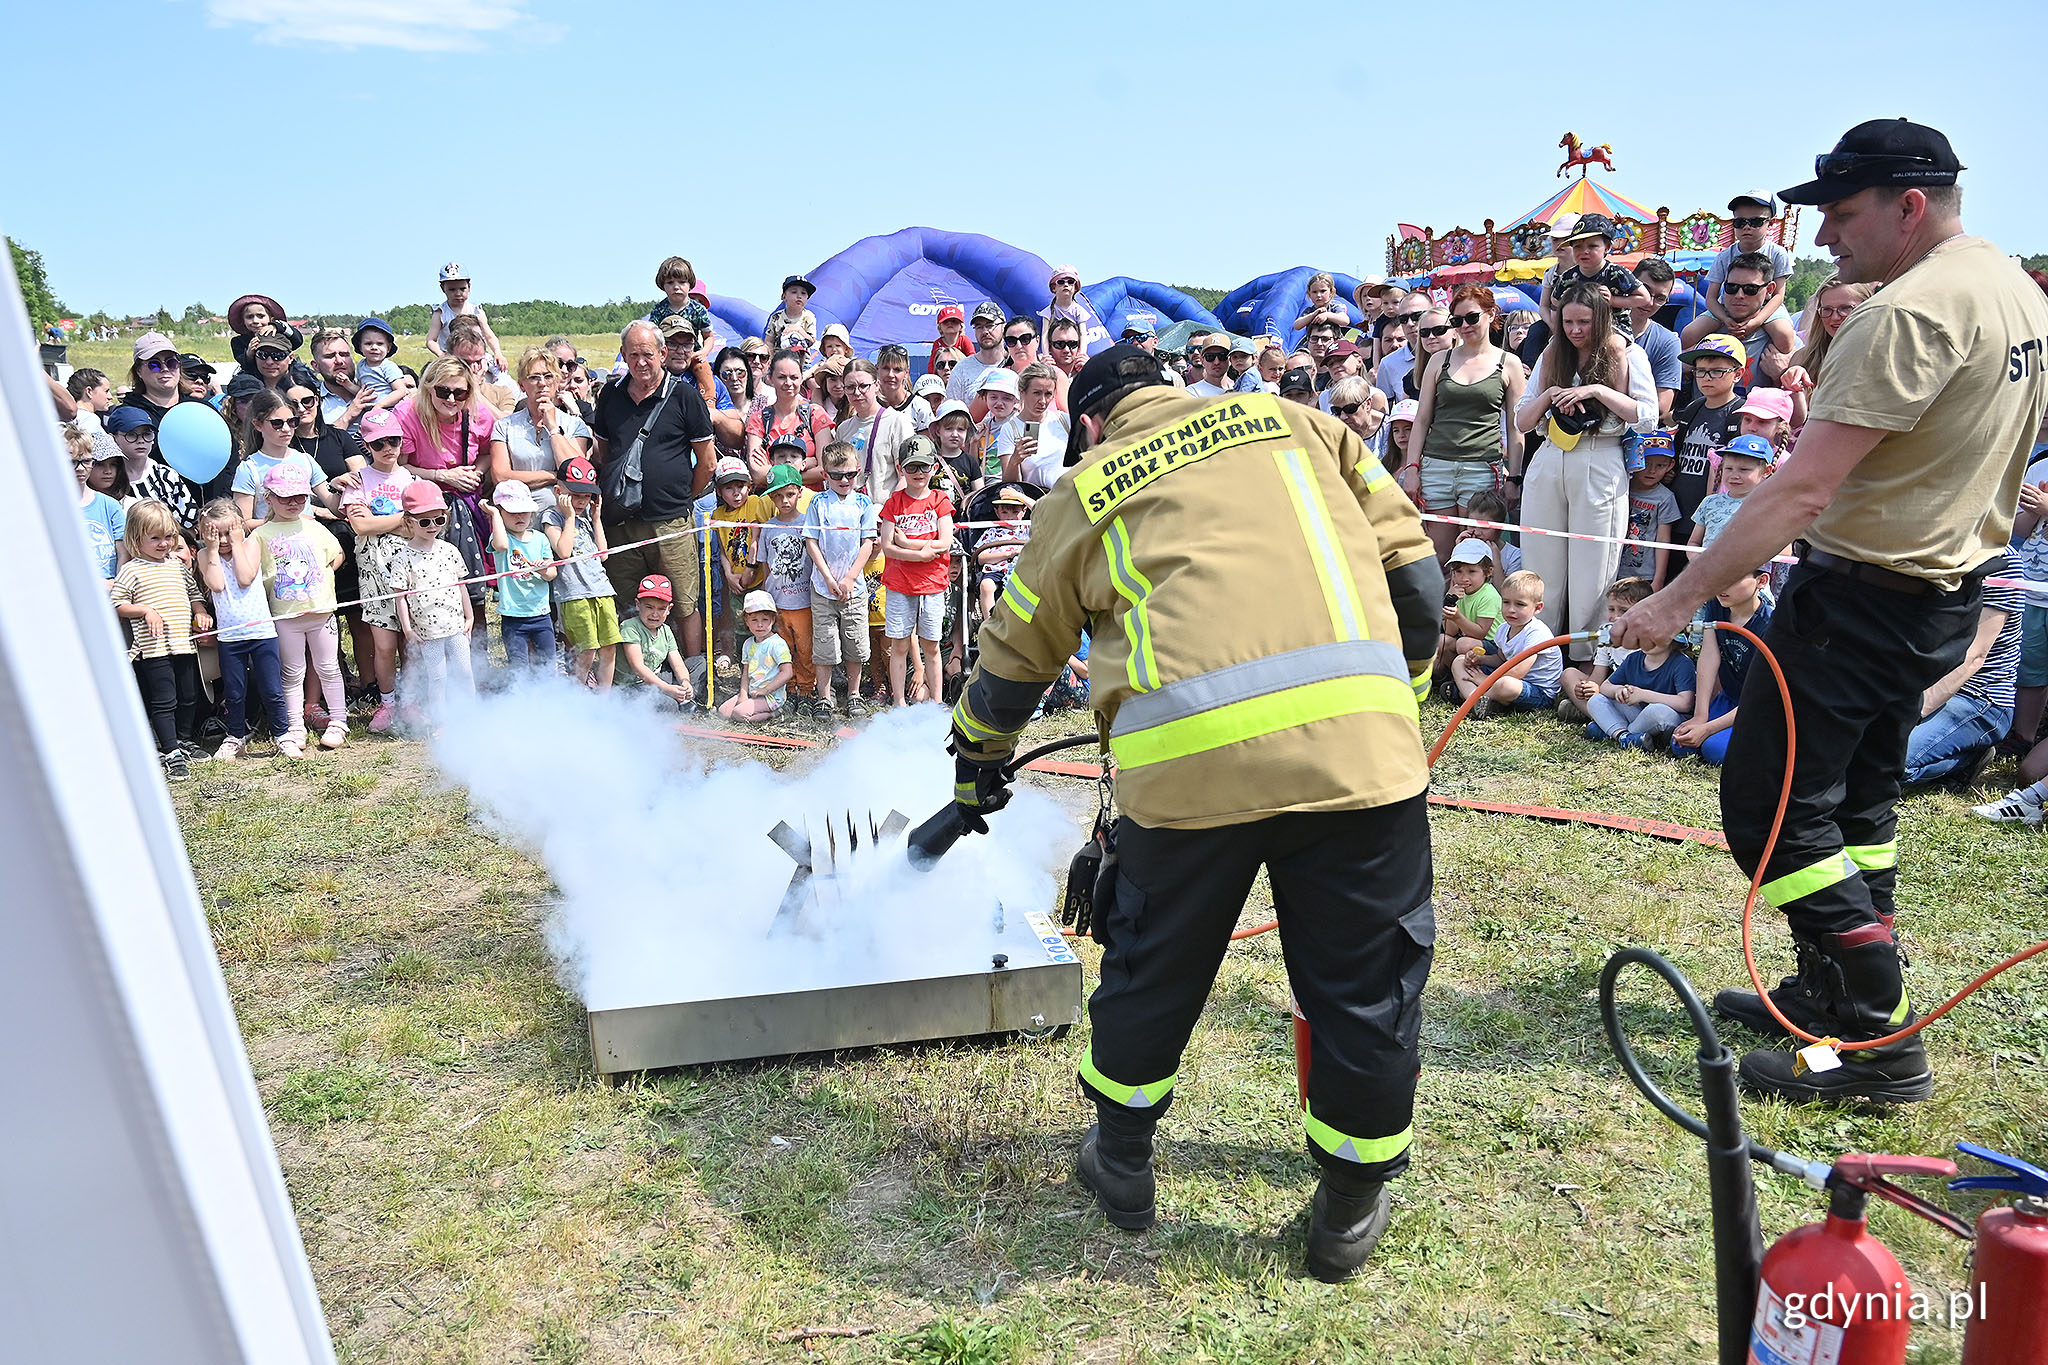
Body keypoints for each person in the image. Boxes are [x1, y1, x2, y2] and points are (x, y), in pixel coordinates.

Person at [946, 343, 1444, 1282]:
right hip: (1359, 763)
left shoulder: (1084, 487)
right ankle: (1347, 1207)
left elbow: (1016, 652)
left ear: (1089, 422)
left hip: (1185, 775)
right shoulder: (1305, 424)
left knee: (1152, 966)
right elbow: (1416, 579)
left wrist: (975, 759)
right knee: (1365, 985)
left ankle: (1122, 1162)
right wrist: (1398, 702)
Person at [1613, 118, 2048, 1104]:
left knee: (1769, 806)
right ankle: (1833, 998)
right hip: (1934, 595)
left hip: (1858, 599)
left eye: (1842, 213)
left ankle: (1877, 1038)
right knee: (1855, 805)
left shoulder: (1907, 314)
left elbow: (1799, 488)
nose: (1822, 238)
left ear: (1908, 205)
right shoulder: (2011, 289)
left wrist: (1675, 598)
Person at [1514, 284, 1656, 657]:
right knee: (1541, 564)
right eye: (1568, 322)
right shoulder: (1551, 353)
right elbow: (1522, 420)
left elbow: (1648, 417)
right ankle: (1539, 656)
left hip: (1601, 456)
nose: (1575, 330)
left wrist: (1595, 391)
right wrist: (1550, 395)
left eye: (1584, 322)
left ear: (1602, 319)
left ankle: (1587, 661)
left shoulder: (1627, 352)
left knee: (1593, 570)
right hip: (1550, 455)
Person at [591, 321, 717, 655]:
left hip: (671, 521)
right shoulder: (610, 395)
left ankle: (691, 671)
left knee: (683, 602)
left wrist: (680, 498)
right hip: (620, 522)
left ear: (662, 354)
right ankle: (636, 672)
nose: (641, 362)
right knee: (627, 600)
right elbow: (605, 454)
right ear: (623, 355)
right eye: (633, 355)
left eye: (647, 354)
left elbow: (707, 463)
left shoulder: (685, 396)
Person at [1405, 285, 1527, 558]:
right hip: (1436, 466)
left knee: (1476, 555)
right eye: (1457, 320)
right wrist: (1412, 468)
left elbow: (1515, 426)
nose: (1464, 326)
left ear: (1491, 314)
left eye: (1471, 317)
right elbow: (1422, 420)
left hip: (1482, 468)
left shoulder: (1509, 363)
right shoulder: (1439, 360)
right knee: (1440, 557)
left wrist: (1515, 477)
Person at [398, 356, 497, 646]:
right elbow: (400, 465)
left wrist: (475, 473)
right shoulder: (408, 414)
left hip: (465, 505)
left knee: (471, 588)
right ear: (428, 388)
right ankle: (429, 658)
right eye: (443, 391)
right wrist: (442, 476)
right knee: (427, 589)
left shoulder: (478, 414)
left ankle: (477, 658)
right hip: (423, 508)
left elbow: (488, 452)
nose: (452, 399)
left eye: (460, 393)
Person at [110, 499, 213, 780]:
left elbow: (194, 594)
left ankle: (184, 739)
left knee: (189, 695)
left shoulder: (176, 567)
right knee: (164, 700)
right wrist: (145, 611)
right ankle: (170, 750)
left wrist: (200, 612)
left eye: (168, 537)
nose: (164, 544)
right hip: (153, 649)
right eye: (155, 538)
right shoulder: (131, 570)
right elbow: (117, 604)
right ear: (136, 538)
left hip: (184, 644)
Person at [254, 464, 348, 752]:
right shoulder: (260, 535)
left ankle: (339, 721)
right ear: (269, 498)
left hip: (321, 612)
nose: (294, 502)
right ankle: (295, 725)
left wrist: (323, 576)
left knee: (328, 667)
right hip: (285, 616)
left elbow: (338, 554)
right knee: (292, 672)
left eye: (300, 496)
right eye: (285, 497)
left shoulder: (314, 527)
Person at [1902, 574, 2024, 785]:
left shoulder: (2003, 567)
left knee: (1886, 761)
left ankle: (1968, 760)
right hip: (1921, 682)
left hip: (1978, 697)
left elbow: (1974, 657)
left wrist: (1913, 712)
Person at [338, 408, 415, 733]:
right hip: (374, 576)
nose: (388, 448)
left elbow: (420, 527)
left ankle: (411, 701)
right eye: (379, 443)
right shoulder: (358, 480)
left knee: (410, 642)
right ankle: (387, 703)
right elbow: (360, 525)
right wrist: (402, 519)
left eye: (393, 440)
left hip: (410, 572)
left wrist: (380, 522)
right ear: (367, 445)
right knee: (383, 645)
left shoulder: (410, 479)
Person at [194, 500, 288, 761]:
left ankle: (282, 734)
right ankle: (235, 736)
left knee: (272, 688)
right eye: (216, 534)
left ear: (240, 528)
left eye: (229, 532)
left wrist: (237, 544)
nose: (223, 540)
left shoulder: (250, 545)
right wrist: (212, 550)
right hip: (230, 637)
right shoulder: (204, 555)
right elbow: (216, 585)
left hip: (261, 633)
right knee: (234, 693)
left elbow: (245, 578)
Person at [387, 482, 475, 727]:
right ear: (409, 521)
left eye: (439, 519)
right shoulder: (403, 557)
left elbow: (461, 585)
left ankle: (471, 716)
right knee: (438, 677)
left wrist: (469, 617)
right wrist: (407, 629)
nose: (433, 526)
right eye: (425, 521)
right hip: (428, 632)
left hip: (456, 625)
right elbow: (400, 597)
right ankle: (441, 721)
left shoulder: (450, 550)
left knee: (465, 672)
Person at [1668, 567, 1773, 767]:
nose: (1722, 586)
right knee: (1681, 744)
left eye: (1733, 578)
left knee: (1714, 750)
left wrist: (1707, 729)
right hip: (1729, 698)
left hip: (1758, 707)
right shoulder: (1715, 605)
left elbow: (1759, 696)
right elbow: (1709, 656)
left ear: (1761, 581)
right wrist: (1700, 716)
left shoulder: (1770, 626)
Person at [803, 442, 878, 717]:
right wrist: (828, 577)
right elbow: (811, 542)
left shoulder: (864, 503)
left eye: (850, 474)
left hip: (854, 589)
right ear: (825, 475)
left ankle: (854, 693)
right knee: (824, 644)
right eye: (837, 475)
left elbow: (868, 543)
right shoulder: (818, 503)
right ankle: (824, 696)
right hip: (823, 588)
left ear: (858, 471)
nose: (844, 480)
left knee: (855, 642)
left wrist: (849, 578)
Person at [877, 441, 954, 708]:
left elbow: (945, 542)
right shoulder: (894, 503)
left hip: (933, 584)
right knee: (899, 645)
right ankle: (899, 703)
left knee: (931, 645)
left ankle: (937, 702)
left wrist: (908, 544)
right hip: (900, 584)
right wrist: (921, 554)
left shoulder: (940, 500)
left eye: (924, 466)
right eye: (912, 467)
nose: (918, 472)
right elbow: (887, 546)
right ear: (901, 469)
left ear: (934, 468)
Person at [541, 459, 619, 692]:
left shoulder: (586, 518)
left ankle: (604, 699)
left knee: (609, 647)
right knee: (586, 650)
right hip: (575, 594)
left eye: (587, 496)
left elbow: (603, 554)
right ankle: (576, 699)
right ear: (559, 492)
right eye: (576, 495)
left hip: (602, 590)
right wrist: (569, 517)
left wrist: (596, 519)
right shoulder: (552, 517)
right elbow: (563, 552)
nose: (582, 502)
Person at [489, 347, 591, 509]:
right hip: (517, 512)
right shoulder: (504, 426)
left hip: (562, 512)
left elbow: (577, 474)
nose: (542, 383)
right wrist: (553, 475)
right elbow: (501, 476)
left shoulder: (575, 425)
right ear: (522, 385)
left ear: (557, 382)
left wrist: (553, 428)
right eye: (534, 377)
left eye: (548, 376)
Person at [1451, 570, 1563, 717]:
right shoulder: (1503, 628)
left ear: (1537, 608)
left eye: (1520, 604)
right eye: (1506, 602)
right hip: (1505, 679)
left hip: (1538, 691)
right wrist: (1480, 660)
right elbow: (1501, 659)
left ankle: (1466, 696)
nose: (1511, 610)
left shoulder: (1537, 633)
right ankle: (1477, 701)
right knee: (1459, 661)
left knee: (1505, 685)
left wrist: (1485, 680)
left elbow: (1517, 671)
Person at [754, 464, 818, 715]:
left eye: (789, 494)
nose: (784, 501)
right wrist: (766, 600)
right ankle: (788, 688)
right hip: (778, 603)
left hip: (804, 602)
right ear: (771, 498)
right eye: (778, 496)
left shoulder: (809, 524)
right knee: (784, 649)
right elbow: (766, 567)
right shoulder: (768, 528)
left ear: (800, 492)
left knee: (806, 648)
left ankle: (807, 689)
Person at [1777, 274, 1876, 428]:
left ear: (1868, 307)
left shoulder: (1881, 357)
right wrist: (1794, 389)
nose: (1835, 317)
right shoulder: (1803, 358)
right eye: (1827, 310)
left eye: (1845, 308)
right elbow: (1790, 423)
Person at [1679, 253, 1795, 380]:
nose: (1739, 295)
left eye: (1750, 289)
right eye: (1731, 287)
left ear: (1769, 290)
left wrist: (1780, 376)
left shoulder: (1781, 341)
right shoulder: (1700, 336)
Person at [1583, 623, 1696, 749]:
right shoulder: (1633, 658)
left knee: (1658, 711)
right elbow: (1605, 687)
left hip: (1668, 719)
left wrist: (1643, 695)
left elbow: (1685, 703)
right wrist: (1618, 690)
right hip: (1637, 714)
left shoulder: (1682, 663)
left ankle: (1613, 732)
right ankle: (1624, 736)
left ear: (1671, 641)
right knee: (1596, 700)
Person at [1540, 214, 1654, 340]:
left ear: (1607, 247)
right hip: (1577, 327)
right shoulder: (1567, 276)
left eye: (1592, 246)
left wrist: (1613, 301)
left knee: (1616, 346)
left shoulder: (1617, 273)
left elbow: (1644, 298)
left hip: (1613, 326)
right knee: (1552, 348)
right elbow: (1555, 301)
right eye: (1578, 246)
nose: (1584, 251)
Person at [1560, 576, 1653, 723]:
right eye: (1611, 609)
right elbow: (1598, 677)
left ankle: (1601, 718)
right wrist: (1588, 688)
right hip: (1612, 691)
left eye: (1623, 610)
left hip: (1639, 698)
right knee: (1569, 674)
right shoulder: (1606, 632)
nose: (1615, 617)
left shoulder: (1650, 638)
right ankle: (1596, 716)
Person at [487, 482, 558, 674]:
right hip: (513, 616)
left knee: (547, 665)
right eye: (512, 512)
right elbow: (501, 546)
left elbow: (552, 574)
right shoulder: (500, 538)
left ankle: (549, 693)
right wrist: (494, 515)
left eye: (524, 511)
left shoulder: (540, 538)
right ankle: (520, 694)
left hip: (541, 614)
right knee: (518, 669)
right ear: (500, 513)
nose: (519, 516)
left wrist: (543, 570)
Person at [744, 349, 833, 486]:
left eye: (794, 377)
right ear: (770, 379)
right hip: (773, 498)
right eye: (781, 377)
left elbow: (825, 469)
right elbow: (757, 473)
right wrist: (803, 464)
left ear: (801, 378)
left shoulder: (815, 414)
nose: (788, 382)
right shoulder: (759, 420)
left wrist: (773, 470)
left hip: (810, 498)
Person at [835, 359, 916, 503]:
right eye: (850, 387)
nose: (857, 393)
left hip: (885, 510)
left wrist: (889, 511)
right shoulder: (843, 429)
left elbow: (905, 477)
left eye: (863, 386)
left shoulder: (897, 422)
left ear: (877, 385)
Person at [1688, 434, 1777, 554]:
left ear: (1766, 471)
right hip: (1708, 565)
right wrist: (1697, 560)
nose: (1734, 475)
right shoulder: (1709, 502)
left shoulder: (1770, 506)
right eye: (1729, 468)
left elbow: (1783, 550)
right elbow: (1693, 542)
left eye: (1743, 470)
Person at [617, 574, 695, 707]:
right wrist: (666, 688)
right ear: (638, 605)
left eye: (661, 609)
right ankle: (678, 701)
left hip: (657, 678)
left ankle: (684, 696)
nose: (655, 614)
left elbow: (677, 663)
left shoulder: (666, 630)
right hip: (632, 686)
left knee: (698, 663)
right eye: (649, 607)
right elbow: (638, 667)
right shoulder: (629, 627)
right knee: (668, 705)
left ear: (669, 609)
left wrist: (685, 682)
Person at [721, 590, 793, 722]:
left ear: (773, 620)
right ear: (746, 621)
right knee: (723, 712)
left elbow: (787, 673)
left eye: (765, 620)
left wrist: (766, 690)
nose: (760, 625)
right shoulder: (748, 644)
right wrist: (743, 694)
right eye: (754, 620)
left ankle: (774, 713)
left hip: (770, 696)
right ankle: (750, 706)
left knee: (739, 714)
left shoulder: (777, 644)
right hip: (753, 692)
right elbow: (746, 673)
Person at [1619, 433, 1680, 587]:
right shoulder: (1621, 488)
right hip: (1613, 569)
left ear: (1670, 465)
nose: (1652, 470)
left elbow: (1663, 540)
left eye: (1660, 465)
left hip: (1644, 576)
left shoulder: (1665, 498)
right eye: (1646, 462)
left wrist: (1659, 579)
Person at [1627, 258, 1684, 424]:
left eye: (1660, 298)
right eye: (1645, 290)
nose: (1649, 301)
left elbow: (1660, 408)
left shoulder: (1667, 342)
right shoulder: (1592, 324)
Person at [1435, 538, 1501, 678]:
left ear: (1488, 572)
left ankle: (1473, 676)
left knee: (1463, 644)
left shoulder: (1488, 595)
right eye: (1458, 571)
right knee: (1441, 641)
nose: (1464, 578)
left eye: (1472, 571)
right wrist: (1450, 602)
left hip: (1492, 646)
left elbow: (1480, 633)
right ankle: (1454, 676)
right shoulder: (1458, 592)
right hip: (1467, 640)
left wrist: (1458, 617)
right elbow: (1450, 632)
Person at [425, 263, 507, 373]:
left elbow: (489, 336)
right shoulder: (441, 313)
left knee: (498, 371)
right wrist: (443, 355)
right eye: (452, 289)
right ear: (443, 288)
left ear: (469, 287)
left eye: (462, 289)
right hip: (453, 358)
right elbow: (431, 340)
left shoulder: (476, 311)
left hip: (477, 356)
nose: (458, 293)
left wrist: (498, 353)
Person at [67, 426, 125, 578]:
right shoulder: (52, 507)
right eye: (73, 462)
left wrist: (118, 585)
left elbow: (123, 553)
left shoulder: (110, 505)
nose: (80, 468)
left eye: (86, 461)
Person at [974, 484, 1033, 617]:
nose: (1010, 517)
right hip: (996, 570)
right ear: (997, 512)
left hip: (1023, 569)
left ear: (1024, 511)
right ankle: (989, 621)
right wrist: (1009, 554)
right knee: (986, 585)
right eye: (1005, 512)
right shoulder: (991, 532)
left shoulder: (1029, 529)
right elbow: (980, 558)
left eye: (1015, 512)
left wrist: (1020, 497)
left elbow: (1043, 513)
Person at [1013, 363, 1071, 483]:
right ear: (1022, 392)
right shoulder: (1011, 428)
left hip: (1070, 492)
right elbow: (1011, 484)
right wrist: (1015, 460)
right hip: (1038, 494)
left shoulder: (1065, 421)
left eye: (1048, 394)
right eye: (1037, 393)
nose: (1043, 401)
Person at [1039, 265, 1109, 355]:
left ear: (1075, 288)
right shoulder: (1048, 312)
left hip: (1073, 352)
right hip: (1056, 352)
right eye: (1061, 282)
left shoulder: (1079, 311)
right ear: (1054, 288)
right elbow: (1044, 335)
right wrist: (1046, 355)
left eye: (1070, 282)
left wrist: (1081, 354)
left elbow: (1083, 335)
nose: (1066, 285)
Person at [947, 302, 1007, 402]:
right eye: (979, 327)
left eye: (990, 325)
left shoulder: (1015, 364)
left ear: (1004, 327)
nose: (985, 332)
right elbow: (951, 409)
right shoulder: (962, 369)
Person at [351, 317, 413, 410]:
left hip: (389, 409)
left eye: (380, 344)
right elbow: (361, 391)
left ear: (388, 347)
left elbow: (401, 390)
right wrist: (347, 384)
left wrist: (380, 405)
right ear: (360, 347)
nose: (374, 347)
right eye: (368, 343)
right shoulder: (361, 366)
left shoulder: (388, 366)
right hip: (368, 411)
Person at [765, 274, 819, 350]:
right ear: (784, 297)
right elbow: (769, 341)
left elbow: (812, 341)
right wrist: (771, 355)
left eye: (803, 293)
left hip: (801, 355)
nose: (799, 296)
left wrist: (799, 330)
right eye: (794, 292)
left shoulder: (809, 316)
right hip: (780, 355)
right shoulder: (776, 317)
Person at [66, 368, 113, 434]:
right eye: (106, 391)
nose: (110, 397)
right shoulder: (89, 419)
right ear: (89, 391)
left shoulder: (64, 417)